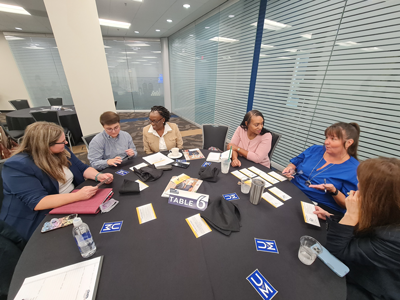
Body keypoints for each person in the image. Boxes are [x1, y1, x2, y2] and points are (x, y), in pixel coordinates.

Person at [0, 122, 113, 241]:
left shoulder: (61, 150)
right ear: (45, 145)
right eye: (62, 142)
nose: (66, 143)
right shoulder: (17, 166)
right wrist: (78, 196)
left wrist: (98, 176)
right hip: (36, 220)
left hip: (71, 202)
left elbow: (82, 168)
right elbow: (38, 202)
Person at [313, 157, 400, 300]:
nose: (357, 186)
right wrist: (334, 218)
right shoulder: (387, 211)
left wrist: (350, 215)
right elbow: (363, 227)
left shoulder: (394, 238)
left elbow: (336, 252)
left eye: (361, 183)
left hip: (368, 288)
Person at [282, 122, 360, 214]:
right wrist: (290, 168)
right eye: (327, 137)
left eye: (333, 139)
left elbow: (348, 204)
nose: (326, 142)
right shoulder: (315, 149)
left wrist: (334, 191)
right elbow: (296, 162)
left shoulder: (354, 169)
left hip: (320, 207)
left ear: (349, 143)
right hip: (292, 191)